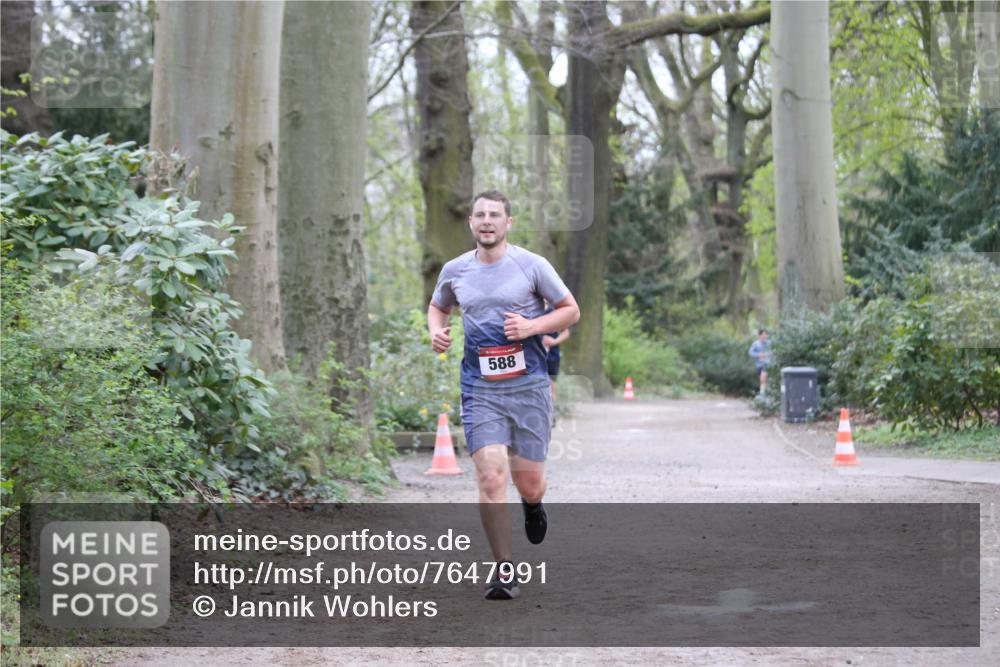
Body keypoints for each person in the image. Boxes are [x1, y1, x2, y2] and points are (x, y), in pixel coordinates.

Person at [427, 189, 580, 600]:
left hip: (528, 384)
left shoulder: (532, 265)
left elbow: (570, 310)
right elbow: (438, 307)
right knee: (491, 474)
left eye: (495, 214)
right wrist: (435, 331)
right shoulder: (455, 270)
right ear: (471, 223)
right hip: (480, 388)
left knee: (528, 482)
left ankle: (532, 505)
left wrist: (531, 328)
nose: (487, 221)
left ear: (508, 223)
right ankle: (504, 569)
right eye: (480, 215)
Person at [541, 302, 570, 406]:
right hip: (535, 355)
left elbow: (566, 332)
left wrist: (553, 341)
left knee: (551, 386)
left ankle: (551, 414)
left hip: (552, 355)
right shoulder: (531, 311)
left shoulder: (554, 313)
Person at [748, 328, 771, 395]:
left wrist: (768, 355)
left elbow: (774, 352)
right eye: (763, 335)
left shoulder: (769, 343)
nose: (765, 336)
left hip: (768, 364)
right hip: (759, 365)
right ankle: (763, 395)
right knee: (763, 381)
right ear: (759, 335)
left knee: (764, 379)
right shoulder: (756, 344)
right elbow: (750, 353)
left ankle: (764, 395)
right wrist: (759, 355)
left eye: (766, 335)